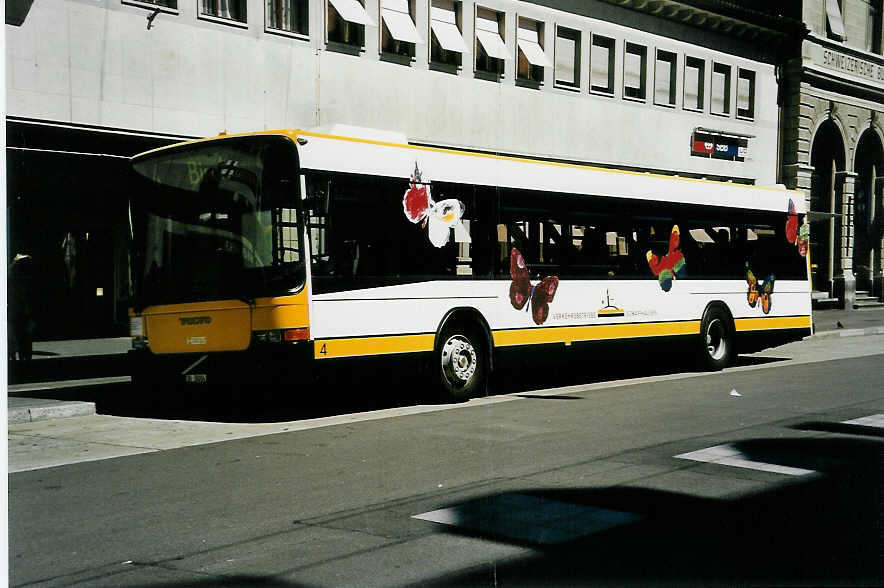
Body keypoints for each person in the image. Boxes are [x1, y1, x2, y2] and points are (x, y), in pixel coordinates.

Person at [8, 254, 34, 361]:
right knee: (21, 334)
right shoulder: (17, 278)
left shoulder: (15, 277)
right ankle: (20, 354)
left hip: (18, 310)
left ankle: (19, 353)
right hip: (17, 310)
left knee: (20, 334)